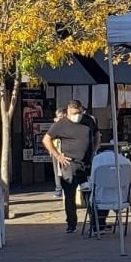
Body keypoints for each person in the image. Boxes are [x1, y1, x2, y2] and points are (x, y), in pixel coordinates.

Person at [42, 100, 95, 233]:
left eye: (79, 112)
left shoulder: (88, 120)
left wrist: (95, 148)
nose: (77, 115)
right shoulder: (61, 124)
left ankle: (95, 223)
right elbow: (46, 139)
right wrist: (58, 155)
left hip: (87, 163)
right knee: (70, 195)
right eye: (74, 113)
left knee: (90, 194)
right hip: (69, 164)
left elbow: (97, 135)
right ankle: (71, 224)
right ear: (68, 112)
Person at [88, 143, 131, 232]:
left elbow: (92, 181)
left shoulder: (97, 160)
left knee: (92, 193)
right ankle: (100, 224)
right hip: (121, 199)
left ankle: (97, 226)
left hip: (101, 199)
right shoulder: (125, 161)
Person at [52, 107, 66, 198]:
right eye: (58, 117)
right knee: (57, 170)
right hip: (56, 149)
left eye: (61, 117)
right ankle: (58, 188)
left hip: (66, 150)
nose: (59, 119)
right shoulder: (55, 126)